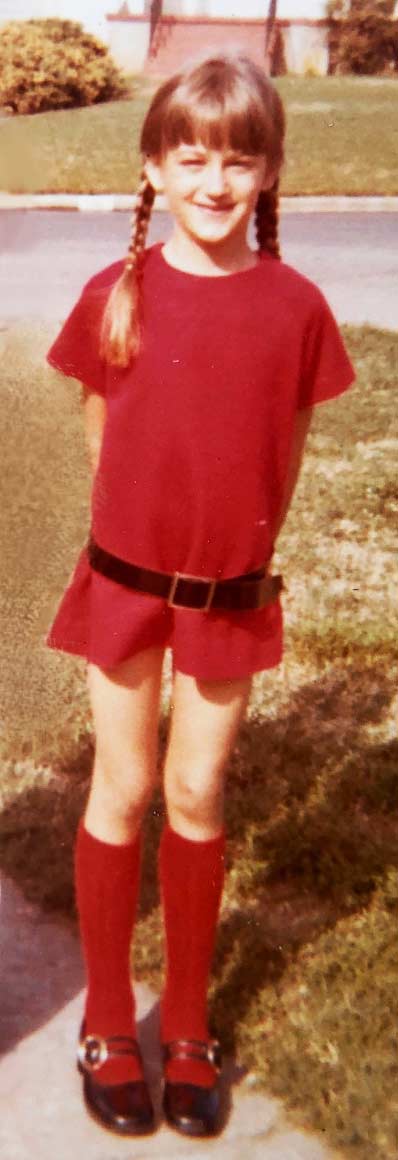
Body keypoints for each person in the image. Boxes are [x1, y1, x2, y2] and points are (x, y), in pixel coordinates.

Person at [46, 51, 355, 1139]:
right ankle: (98, 1015)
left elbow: (288, 448)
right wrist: (137, 532)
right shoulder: (115, 295)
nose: (215, 183)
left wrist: (235, 547)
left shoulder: (296, 308)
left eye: (239, 160)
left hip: (229, 594)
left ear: (269, 172)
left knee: (193, 795)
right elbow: (102, 434)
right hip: (127, 588)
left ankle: (183, 1019)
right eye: (192, 158)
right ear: (154, 168)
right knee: (121, 787)